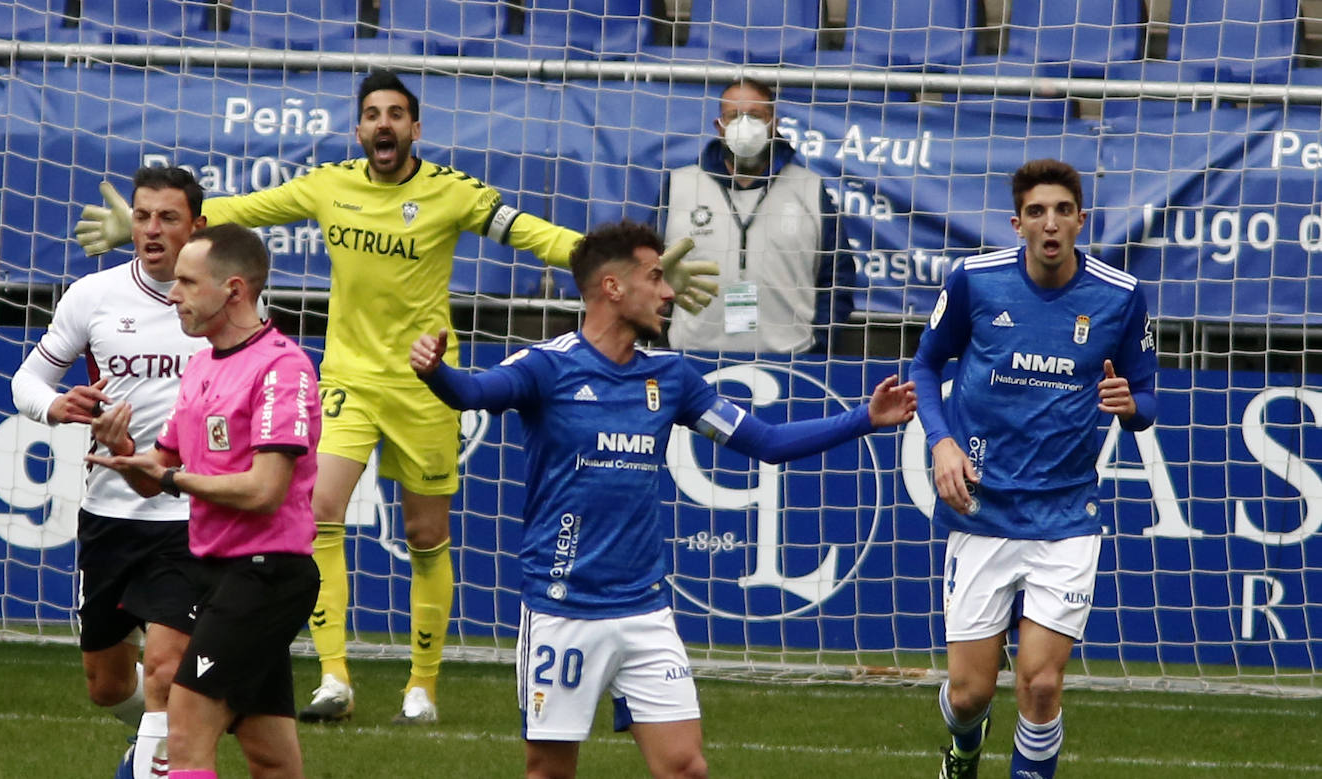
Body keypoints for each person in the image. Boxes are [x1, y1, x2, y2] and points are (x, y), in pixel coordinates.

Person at [74, 70, 719, 725]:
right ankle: (333, 676)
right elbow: (246, 208)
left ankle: (421, 686)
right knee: (321, 511)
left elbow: (534, 234)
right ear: (359, 130)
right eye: (372, 114)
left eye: (395, 114)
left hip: (426, 382)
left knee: (424, 534)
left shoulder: (453, 191)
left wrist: (626, 269)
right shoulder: (329, 185)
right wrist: (157, 226)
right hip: (348, 379)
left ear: (415, 128)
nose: (383, 123)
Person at [409, 221, 915, 779]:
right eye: (655, 277)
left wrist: (864, 419)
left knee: (685, 768)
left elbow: (766, 443)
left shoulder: (669, 377)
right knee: (549, 772)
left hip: (644, 611)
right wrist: (437, 372)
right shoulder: (547, 366)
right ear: (613, 287)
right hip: (562, 608)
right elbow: (473, 393)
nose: (669, 291)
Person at [910, 159, 1158, 779]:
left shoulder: (1120, 296)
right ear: (1017, 223)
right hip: (982, 509)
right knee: (969, 696)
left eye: (1063, 211)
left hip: (1065, 516)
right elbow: (925, 367)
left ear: (1081, 220)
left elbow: (1147, 398)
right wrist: (941, 443)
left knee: (1041, 685)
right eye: (1037, 212)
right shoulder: (975, 281)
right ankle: (964, 748)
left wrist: (1131, 406)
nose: (1051, 223)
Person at [86, 223, 322, 779]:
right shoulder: (201, 365)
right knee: (270, 757)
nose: (173, 294)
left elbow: (264, 491)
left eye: (188, 283)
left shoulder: (281, 367)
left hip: (265, 575)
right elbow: (157, 475)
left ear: (233, 290)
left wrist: (172, 479)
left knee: (185, 735)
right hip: (215, 571)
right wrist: (126, 451)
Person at [11, 166, 210, 779]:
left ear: (196, 227)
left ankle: (159, 754)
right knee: (107, 684)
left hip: (187, 513)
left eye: (168, 217)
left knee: (166, 670)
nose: (151, 229)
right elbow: (28, 379)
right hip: (108, 516)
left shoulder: (221, 301)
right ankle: (163, 737)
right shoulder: (92, 295)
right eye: (142, 216)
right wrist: (55, 406)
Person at [660, 77, 854, 355]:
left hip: (791, 358)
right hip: (693, 354)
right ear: (719, 125)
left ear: (774, 124)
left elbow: (837, 275)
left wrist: (818, 343)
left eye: (755, 115)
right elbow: (649, 269)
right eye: (734, 115)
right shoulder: (680, 185)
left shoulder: (809, 187)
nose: (745, 125)